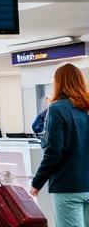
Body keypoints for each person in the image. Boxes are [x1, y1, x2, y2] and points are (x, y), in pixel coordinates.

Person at [30, 63, 89, 226]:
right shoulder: (86, 107)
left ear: (58, 83)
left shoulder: (57, 109)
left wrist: (37, 183)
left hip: (68, 185)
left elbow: (53, 151)